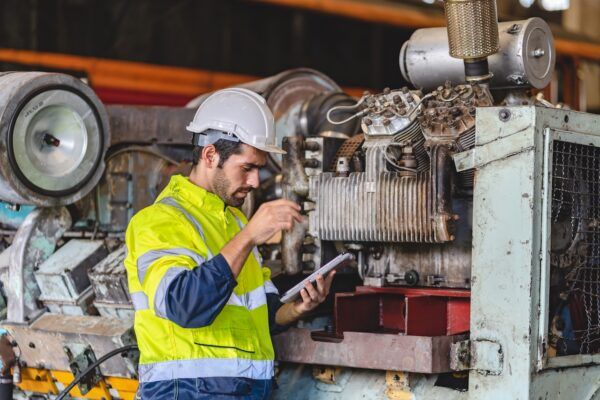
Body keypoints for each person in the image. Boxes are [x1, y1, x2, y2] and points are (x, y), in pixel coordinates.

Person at [124, 88, 334, 399]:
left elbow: (260, 314)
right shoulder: (159, 221)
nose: (254, 181)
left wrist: (298, 308)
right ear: (210, 155)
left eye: (259, 169)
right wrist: (249, 236)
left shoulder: (232, 223)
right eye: (247, 167)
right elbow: (184, 306)